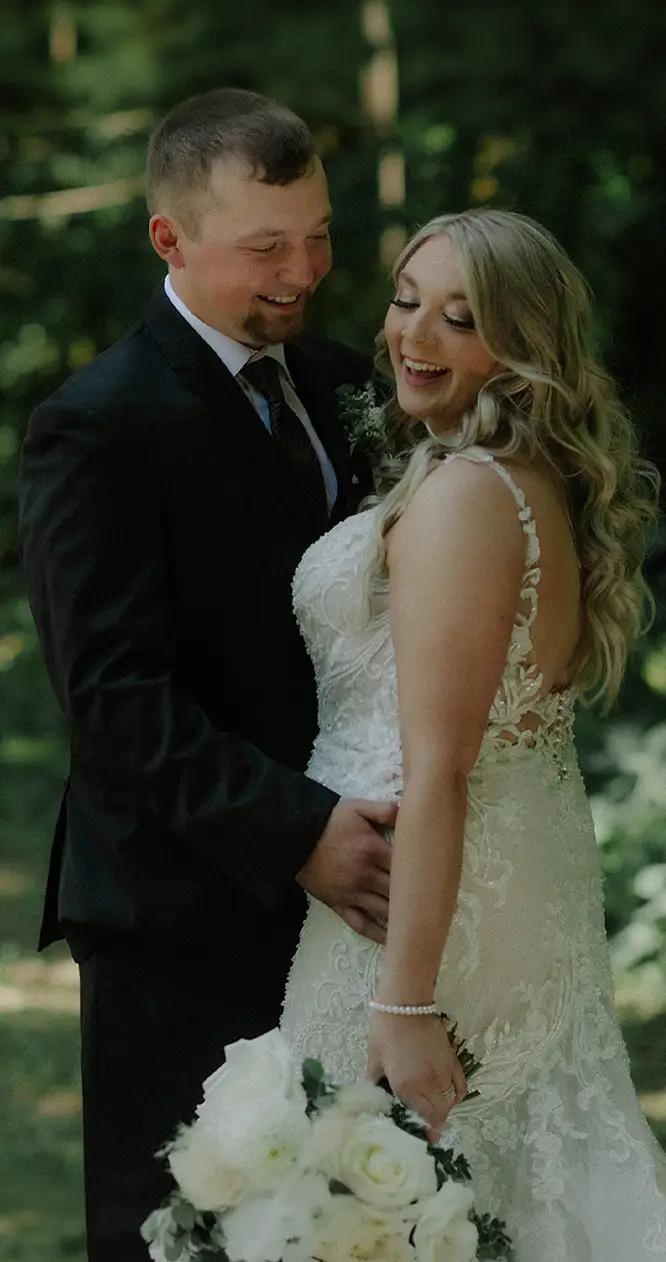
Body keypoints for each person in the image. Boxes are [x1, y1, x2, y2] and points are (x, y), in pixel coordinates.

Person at [18, 88, 397, 1261]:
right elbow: (114, 695)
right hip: (174, 910)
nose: (303, 271)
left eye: (320, 235)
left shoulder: (343, 383)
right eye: (265, 248)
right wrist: (298, 829)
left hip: (346, 917)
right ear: (168, 239)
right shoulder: (97, 424)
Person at [280, 209, 666, 1257]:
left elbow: (438, 765)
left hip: (416, 914)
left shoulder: (465, 496)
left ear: (525, 346)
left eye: (462, 318)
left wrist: (403, 1003)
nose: (416, 336)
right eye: (408, 301)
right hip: (503, 888)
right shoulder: (522, 482)